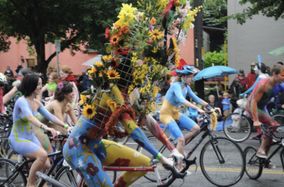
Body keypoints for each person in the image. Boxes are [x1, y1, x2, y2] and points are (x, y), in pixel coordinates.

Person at [8, 73, 70, 187]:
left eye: (41, 84)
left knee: (46, 164)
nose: (41, 87)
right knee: (42, 155)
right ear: (31, 85)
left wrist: (66, 126)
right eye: (39, 84)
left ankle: (36, 182)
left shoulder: (36, 102)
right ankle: (29, 184)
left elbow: (51, 117)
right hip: (17, 138)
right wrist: (46, 127)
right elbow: (30, 117)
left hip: (30, 137)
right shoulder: (22, 101)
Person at [159, 65, 220, 171]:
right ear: (183, 77)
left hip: (175, 114)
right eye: (190, 77)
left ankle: (177, 147)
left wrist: (212, 107)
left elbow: (197, 99)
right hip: (166, 115)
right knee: (181, 139)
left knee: (196, 128)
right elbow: (182, 100)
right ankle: (180, 166)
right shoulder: (175, 86)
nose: (192, 79)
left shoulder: (186, 87)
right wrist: (198, 109)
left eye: (192, 76)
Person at [246, 64, 284, 167]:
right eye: (282, 75)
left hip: (262, 108)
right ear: (274, 74)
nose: (283, 78)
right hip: (252, 107)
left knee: (272, 130)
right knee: (273, 124)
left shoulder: (280, 85)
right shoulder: (263, 84)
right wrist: (256, 120)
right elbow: (254, 102)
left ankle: (264, 160)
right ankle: (261, 150)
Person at [34, 81, 74, 158]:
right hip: (38, 126)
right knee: (50, 152)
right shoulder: (56, 104)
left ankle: (59, 156)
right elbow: (61, 124)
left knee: (66, 137)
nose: (74, 94)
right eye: (71, 92)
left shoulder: (69, 106)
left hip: (48, 125)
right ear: (65, 94)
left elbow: (76, 124)